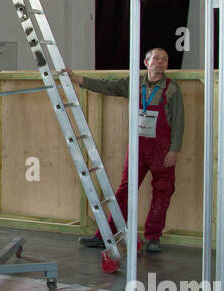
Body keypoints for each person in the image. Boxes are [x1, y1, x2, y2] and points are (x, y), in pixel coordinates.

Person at [69, 47, 184, 254]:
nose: (160, 62)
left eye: (164, 60)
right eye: (156, 58)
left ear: (166, 65)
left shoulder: (172, 89)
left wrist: (174, 149)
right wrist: (77, 79)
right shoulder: (133, 84)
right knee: (124, 191)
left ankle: (153, 238)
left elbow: (179, 122)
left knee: (162, 192)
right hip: (138, 147)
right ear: (146, 62)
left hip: (162, 150)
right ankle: (106, 235)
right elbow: (107, 87)